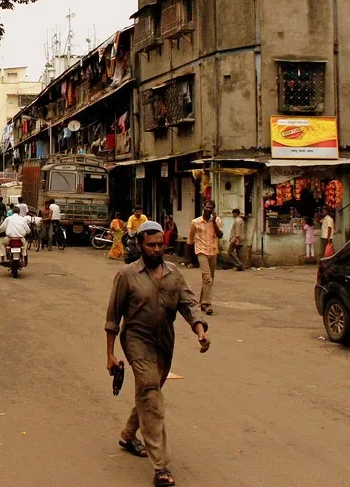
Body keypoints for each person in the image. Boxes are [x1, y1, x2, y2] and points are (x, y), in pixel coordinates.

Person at [105, 220, 210, 487]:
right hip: (136, 341)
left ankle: (128, 435)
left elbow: (188, 303)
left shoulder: (174, 274)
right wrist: (110, 354)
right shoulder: (127, 275)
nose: (156, 249)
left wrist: (199, 330)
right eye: (150, 245)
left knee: (148, 391)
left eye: (160, 245)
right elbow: (113, 317)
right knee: (151, 392)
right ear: (140, 245)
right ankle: (161, 466)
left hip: (164, 343)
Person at [187, 200, 223, 315]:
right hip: (201, 251)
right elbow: (190, 240)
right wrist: (189, 258)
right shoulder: (195, 222)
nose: (209, 209)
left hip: (213, 251)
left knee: (209, 279)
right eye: (207, 207)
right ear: (203, 207)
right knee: (207, 277)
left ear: (213, 209)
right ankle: (208, 304)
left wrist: (214, 223)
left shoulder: (217, 221)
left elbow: (220, 235)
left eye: (211, 208)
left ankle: (202, 302)